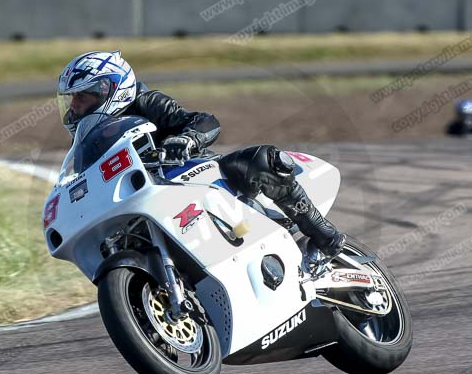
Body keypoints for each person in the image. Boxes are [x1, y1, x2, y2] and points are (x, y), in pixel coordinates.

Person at [56, 50, 346, 259]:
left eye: (82, 96)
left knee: (260, 160)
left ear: (109, 89)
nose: (75, 106)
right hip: (142, 197)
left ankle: (322, 233)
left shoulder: (147, 102)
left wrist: (187, 138)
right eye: (72, 99)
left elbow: (204, 120)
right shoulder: (89, 141)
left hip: (192, 173)